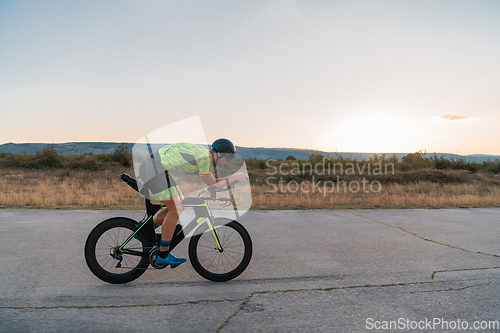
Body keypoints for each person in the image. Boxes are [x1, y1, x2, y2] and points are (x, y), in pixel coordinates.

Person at [137, 138, 248, 266]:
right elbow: (212, 184)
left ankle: (144, 231)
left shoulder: (204, 156)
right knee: (176, 208)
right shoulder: (204, 158)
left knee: (180, 203)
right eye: (229, 157)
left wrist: (231, 179)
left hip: (156, 168)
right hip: (153, 169)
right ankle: (163, 254)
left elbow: (211, 181)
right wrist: (233, 177)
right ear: (219, 153)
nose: (229, 161)